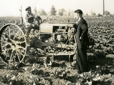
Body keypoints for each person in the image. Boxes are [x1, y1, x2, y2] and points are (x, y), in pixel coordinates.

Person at [74, 9, 89, 73]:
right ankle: (80, 68)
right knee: (79, 55)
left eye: (75, 15)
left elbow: (85, 29)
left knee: (81, 55)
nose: (74, 16)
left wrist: (81, 37)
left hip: (81, 41)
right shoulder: (79, 21)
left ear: (78, 15)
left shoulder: (82, 21)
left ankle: (83, 69)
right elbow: (77, 26)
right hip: (80, 41)